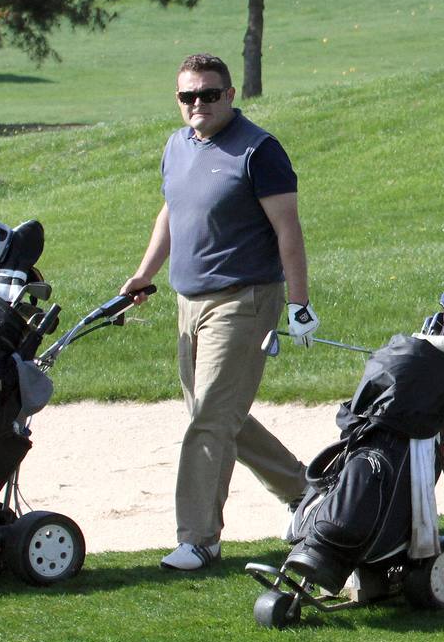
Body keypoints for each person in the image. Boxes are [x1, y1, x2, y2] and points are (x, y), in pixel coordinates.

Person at [121, 53, 319, 571]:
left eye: (209, 94)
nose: (198, 104)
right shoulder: (177, 146)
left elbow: (288, 230)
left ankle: (199, 539)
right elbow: (171, 211)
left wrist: (298, 303)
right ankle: (304, 490)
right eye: (188, 96)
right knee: (214, 413)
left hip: (244, 299)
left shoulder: (259, 150)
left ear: (230, 95)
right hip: (189, 300)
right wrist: (144, 274)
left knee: (209, 417)